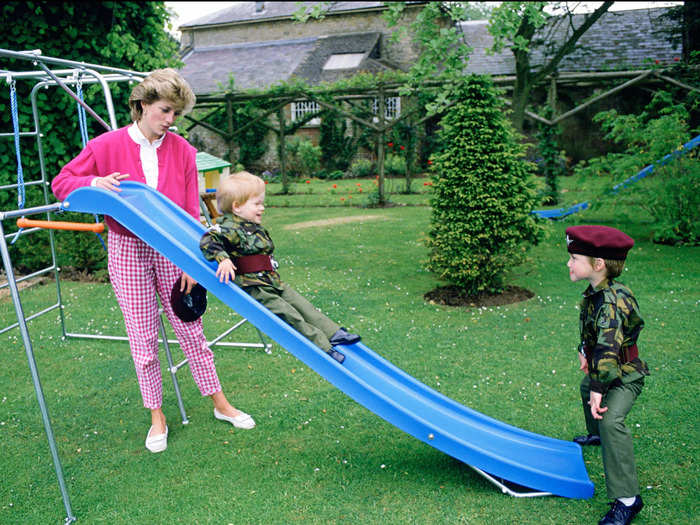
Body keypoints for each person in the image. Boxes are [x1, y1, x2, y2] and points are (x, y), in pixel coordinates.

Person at [52, 69, 254, 454]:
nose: (170, 121)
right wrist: (93, 183)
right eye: (164, 111)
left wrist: (192, 262)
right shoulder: (104, 146)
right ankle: (157, 416)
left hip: (174, 247)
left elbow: (191, 212)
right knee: (143, 338)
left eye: (176, 113)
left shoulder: (184, 151)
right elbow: (62, 183)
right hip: (126, 248)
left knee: (190, 328)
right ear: (142, 106)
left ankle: (220, 403)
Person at [199, 171, 360, 364]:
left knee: (303, 306)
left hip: (271, 280)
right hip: (254, 286)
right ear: (237, 207)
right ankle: (322, 347)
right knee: (289, 314)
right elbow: (209, 239)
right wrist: (223, 259)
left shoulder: (251, 225)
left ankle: (333, 333)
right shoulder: (228, 228)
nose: (262, 208)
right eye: (257, 203)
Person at [565, 225, 649, 525]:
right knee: (587, 388)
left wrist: (601, 387)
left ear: (597, 264)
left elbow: (610, 351)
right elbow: (594, 335)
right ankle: (597, 435)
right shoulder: (597, 292)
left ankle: (628, 500)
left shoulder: (611, 303)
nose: (569, 263)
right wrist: (584, 351)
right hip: (607, 365)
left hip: (626, 375)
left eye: (574, 258)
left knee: (611, 419)